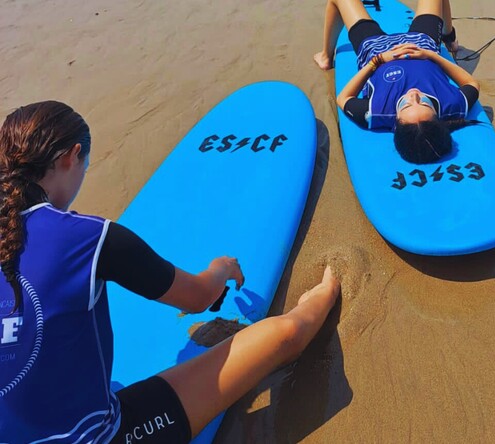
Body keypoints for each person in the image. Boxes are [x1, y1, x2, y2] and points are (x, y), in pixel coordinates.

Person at [0, 101, 341, 443]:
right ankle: (322, 296)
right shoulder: (86, 238)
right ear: (71, 157)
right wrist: (220, 268)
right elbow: (198, 298)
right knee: (285, 334)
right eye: (85, 165)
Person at [313, 0, 480, 164]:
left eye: (406, 105)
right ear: (438, 116)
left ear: (395, 122)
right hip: (421, 44)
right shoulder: (452, 105)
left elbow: (343, 98)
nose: (413, 95)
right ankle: (449, 37)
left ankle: (326, 57)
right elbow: (472, 84)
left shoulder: (377, 112)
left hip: (375, 48)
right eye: (425, 102)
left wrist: (378, 60)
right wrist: (431, 56)